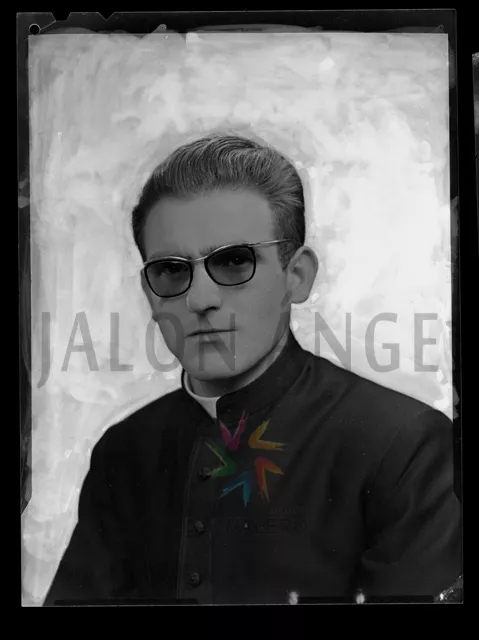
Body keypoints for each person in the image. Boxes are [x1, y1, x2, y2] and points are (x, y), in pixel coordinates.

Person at [43, 132, 461, 605]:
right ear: (149, 292)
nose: (200, 299)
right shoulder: (124, 450)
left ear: (297, 277)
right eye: (171, 270)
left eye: (235, 261)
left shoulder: (405, 444)